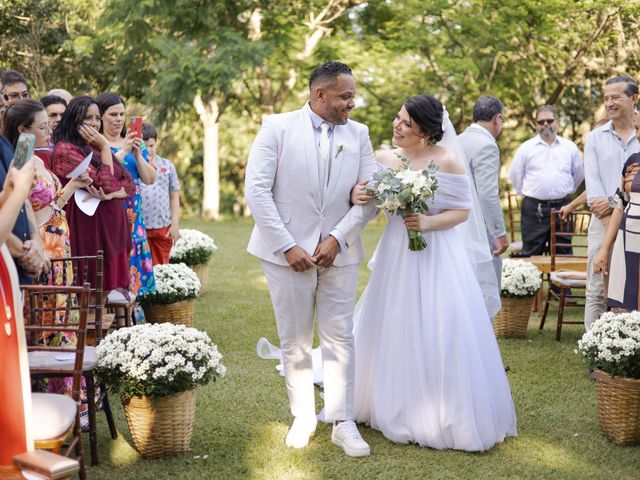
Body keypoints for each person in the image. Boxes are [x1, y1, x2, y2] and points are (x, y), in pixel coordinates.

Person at [350, 95, 516, 451]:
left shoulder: (448, 161)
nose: (397, 126)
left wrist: (426, 221)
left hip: (439, 254)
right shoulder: (384, 158)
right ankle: (387, 398)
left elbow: (462, 212)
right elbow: (371, 204)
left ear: (425, 132)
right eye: (397, 118)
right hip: (398, 253)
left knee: (441, 323)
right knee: (394, 321)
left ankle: (439, 407)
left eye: (406, 123)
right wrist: (360, 194)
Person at [245, 61, 376, 456]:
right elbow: (257, 191)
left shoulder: (360, 134)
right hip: (286, 254)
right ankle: (303, 417)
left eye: (352, 95)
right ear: (320, 95)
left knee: (341, 337)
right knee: (296, 339)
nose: (352, 103)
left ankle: (342, 421)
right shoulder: (277, 127)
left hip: (341, 253)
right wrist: (287, 245)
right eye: (345, 96)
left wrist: (338, 237)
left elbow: (369, 198)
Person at [50, 95, 134, 300]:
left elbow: (127, 181)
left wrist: (113, 193)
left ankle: (100, 331)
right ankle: (89, 332)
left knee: (105, 288)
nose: (94, 123)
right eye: (88, 118)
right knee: (90, 285)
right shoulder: (65, 150)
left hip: (110, 226)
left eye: (97, 118)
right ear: (74, 119)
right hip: (88, 225)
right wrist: (106, 147)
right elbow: (104, 183)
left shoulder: (93, 146)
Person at [584, 75, 640, 330]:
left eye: (615, 97)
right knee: (597, 290)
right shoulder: (595, 139)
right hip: (602, 224)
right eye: (606, 98)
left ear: (634, 98)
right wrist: (611, 236)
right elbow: (594, 195)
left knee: (632, 290)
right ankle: (595, 354)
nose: (609, 103)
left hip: (637, 227)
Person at [96, 92, 156, 298]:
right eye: (113, 114)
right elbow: (103, 173)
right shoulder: (97, 144)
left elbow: (150, 179)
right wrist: (122, 150)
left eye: (122, 114)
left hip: (134, 219)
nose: (119, 119)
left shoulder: (133, 144)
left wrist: (138, 155)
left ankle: (134, 318)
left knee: (135, 281)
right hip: (109, 217)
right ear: (101, 116)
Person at [508, 105, 584, 257]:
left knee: (564, 253)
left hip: (565, 208)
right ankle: (533, 282)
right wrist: (530, 195)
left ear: (557, 121)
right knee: (531, 255)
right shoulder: (526, 148)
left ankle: (558, 282)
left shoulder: (570, 147)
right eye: (540, 122)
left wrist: (565, 191)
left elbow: (578, 175)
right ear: (536, 125)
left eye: (549, 120)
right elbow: (515, 176)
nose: (545, 125)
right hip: (534, 209)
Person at [458, 95, 508, 294]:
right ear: (497, 119)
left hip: (453, 227)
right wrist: (499, 233)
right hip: (478, 229)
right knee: (485, 289)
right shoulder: (486, 145)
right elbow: (487, 194)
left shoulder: (457, 140)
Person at [139, 124, 180, 265]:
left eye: (151, 145)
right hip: (140, 228)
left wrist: (175, 224)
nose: (148, 150)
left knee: (161, 267)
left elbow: (174, 195)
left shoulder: (167, 166)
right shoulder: (134, 165)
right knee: (142, 268)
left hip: (162, 226)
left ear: (156, 143)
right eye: (144, 147)